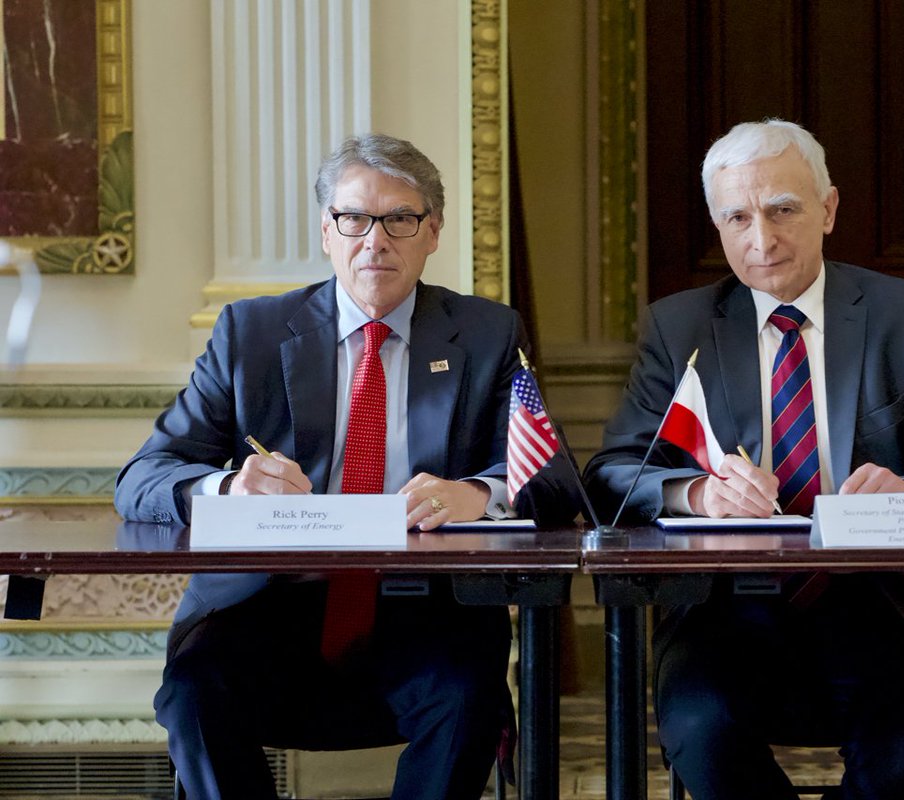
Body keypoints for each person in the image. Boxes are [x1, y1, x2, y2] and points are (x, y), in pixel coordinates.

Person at [115, 133, 580, 800]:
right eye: (354, 219)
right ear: (327, 232)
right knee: (193, 693)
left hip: (426, 612)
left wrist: (481, 494)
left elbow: (557, 479)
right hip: (265, 607)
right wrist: (227, 486)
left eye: (400, 219)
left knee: (470, 698)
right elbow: (143, 477)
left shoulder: (485, 334)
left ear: (433, 232)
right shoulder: (251, 334)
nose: (375, 241)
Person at [583, 120, 904, 800]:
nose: (762, 240)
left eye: (783, 210)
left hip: (880, 603)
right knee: (704, 737)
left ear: (828, 209)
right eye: (738, 218)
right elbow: (612, 474)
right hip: (725, 608)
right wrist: (696, 494)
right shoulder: (679, 326)